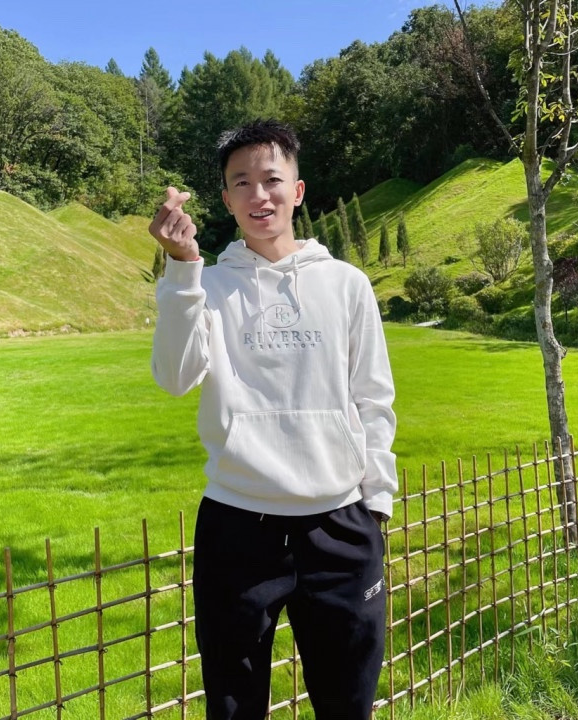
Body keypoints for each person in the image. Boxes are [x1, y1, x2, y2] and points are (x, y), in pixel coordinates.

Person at [149, 119, 397, 720]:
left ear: (298, 190)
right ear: (226, 198)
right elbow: (174, 377)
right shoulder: (206, 286)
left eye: (271, 179)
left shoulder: (346, 284)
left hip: (339, 523)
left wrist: (377, 503)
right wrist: (181, 268)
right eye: (242, 183)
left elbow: (373, 398)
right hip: (237, 525)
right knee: (233, 708)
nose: (259, 195)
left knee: (348, 705)